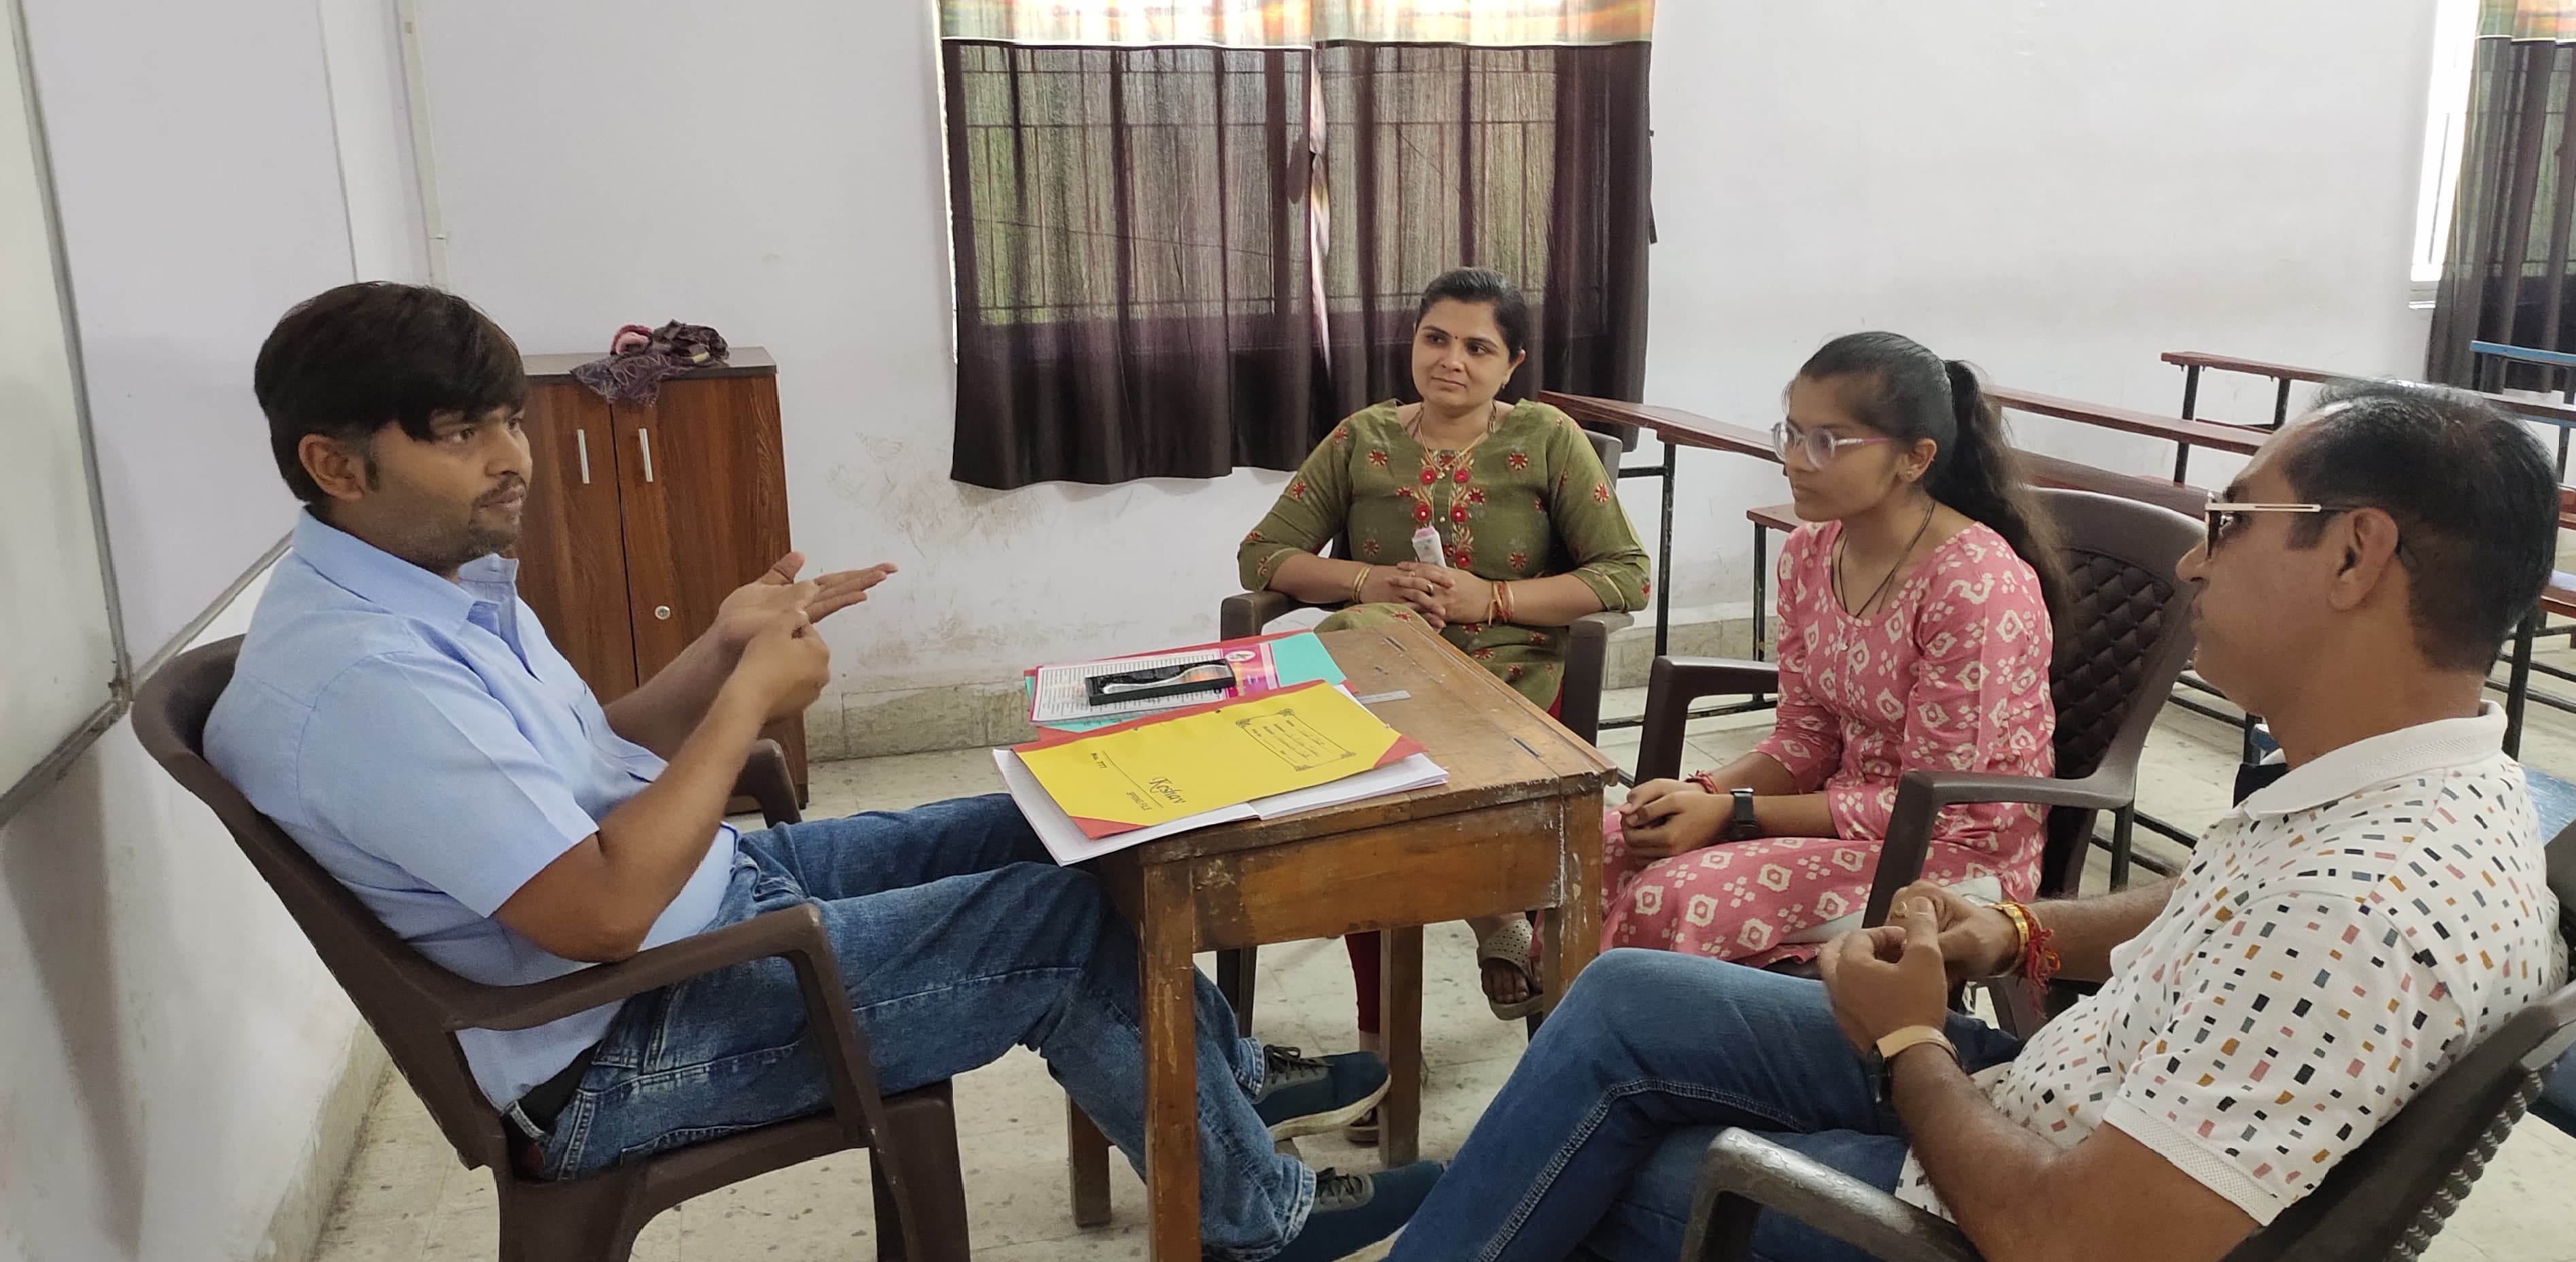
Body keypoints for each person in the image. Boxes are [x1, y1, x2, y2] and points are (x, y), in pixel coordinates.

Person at [205, 282, 1437, 1262]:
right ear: (337, 465)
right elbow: (601, 911)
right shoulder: (363, 681)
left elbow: (591, 757)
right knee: (1058, 927)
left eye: (508, 419)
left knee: (1056, 820)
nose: (512, 457)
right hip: (623, 1039)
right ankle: (1255, 1220)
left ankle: (1220, 1084)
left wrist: (717, 651)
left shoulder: (427, 586)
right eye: (461, 435)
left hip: (702, 914)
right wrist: (748, 703)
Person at [1383, 379, 2568, 1262]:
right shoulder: (2410, 787)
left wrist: (1911, 1042)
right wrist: (2014, 933)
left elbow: (2070, 1242)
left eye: (2234, 521)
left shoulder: (2357, 910)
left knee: (1600, 1163)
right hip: (2048, 1094)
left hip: (1992, 1201)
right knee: (1624, 1004)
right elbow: (2214, 901)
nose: (2195, 567)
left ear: (2356, 556)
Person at [1237, 269, 1651, 1085]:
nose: (1450, 360)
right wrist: (1370, 581)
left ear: (1512, 363)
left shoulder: (1546, 437)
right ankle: (1471, 936)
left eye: (1477, 347)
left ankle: (1395, 1037)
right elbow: (1263, 555)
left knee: (1367, 777)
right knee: (1358, 775)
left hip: (1510, 677)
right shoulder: (1361, 439)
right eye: (1435, 338)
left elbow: (1626, 574)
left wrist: (1491, 597)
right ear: (1412, 340)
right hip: (1379, 667)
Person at [1606, 332, 2065, 968]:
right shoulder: (1810, 553)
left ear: (1914, 458)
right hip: (1847, 812)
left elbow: (1929, 800)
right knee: (1606, 843)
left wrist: (1733, 812)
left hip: (1951, 852)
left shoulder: (1974, 586)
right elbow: (1806, 737)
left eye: (1825, 442)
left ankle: (1673, 1031)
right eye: (1791, 435)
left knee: (1675, 897)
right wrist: (1702, 792)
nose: (1795, 461)